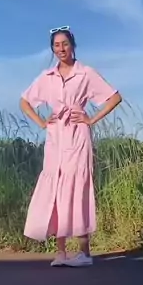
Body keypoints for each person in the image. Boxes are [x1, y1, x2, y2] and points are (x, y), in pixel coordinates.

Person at [20, 27, 122, 267]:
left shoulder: (86, 73)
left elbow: (115, 97)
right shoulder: (47, 76)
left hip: (77, 135)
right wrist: (42, 123)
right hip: (55, 136)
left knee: (76, 187)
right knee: (56, 187)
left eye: (65, 44)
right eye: (56, 45)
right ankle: (61, 253)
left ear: (73, 45)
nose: (61, 49)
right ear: (52, 49)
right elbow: (24, 102)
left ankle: (84, 253)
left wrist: (91, 119)